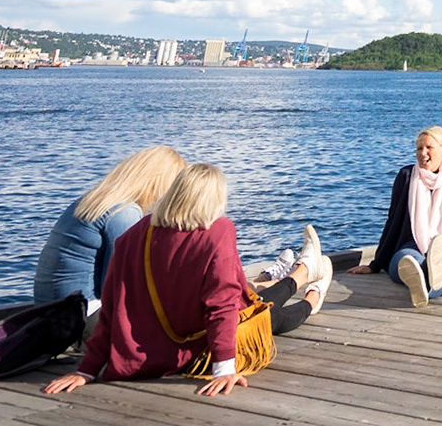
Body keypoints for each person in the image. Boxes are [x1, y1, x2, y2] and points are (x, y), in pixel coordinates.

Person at [42, 163, 331, 399]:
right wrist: (224, 369)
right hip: (193, 348)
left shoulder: (134, 234)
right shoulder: (218, 231)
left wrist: (88, 369)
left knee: (255, 302)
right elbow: (221, 304)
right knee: (270, 317)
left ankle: (302, 272)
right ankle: (313, 294)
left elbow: (112, 306)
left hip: (145, 354)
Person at [34, 145, 185, 309]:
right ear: (159, 182)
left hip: (48, 306)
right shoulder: (125, 212)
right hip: (79, 312)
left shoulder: (92, 201)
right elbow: (118, 286)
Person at [350, 125, 442, 306]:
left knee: (441, 262)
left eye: (429, 148)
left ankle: (424, 287)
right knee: (408, 263)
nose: (422, 153)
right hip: (412, 244)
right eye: (419, 148)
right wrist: (375, 265)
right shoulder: (406, 176)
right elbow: (393, 220)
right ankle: (427, 286)